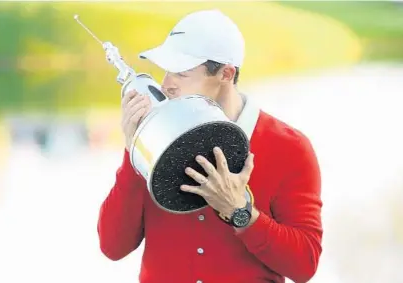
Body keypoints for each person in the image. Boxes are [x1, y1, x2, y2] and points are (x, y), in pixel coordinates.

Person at [97, 9, 323, 283]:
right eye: (167, 71)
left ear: (226, 74)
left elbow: (304, 265)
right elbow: (112, 247)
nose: (166, 85)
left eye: (182, 73)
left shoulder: (290, 147)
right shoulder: (154, 139)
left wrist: (240, 212)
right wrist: (134, 150)